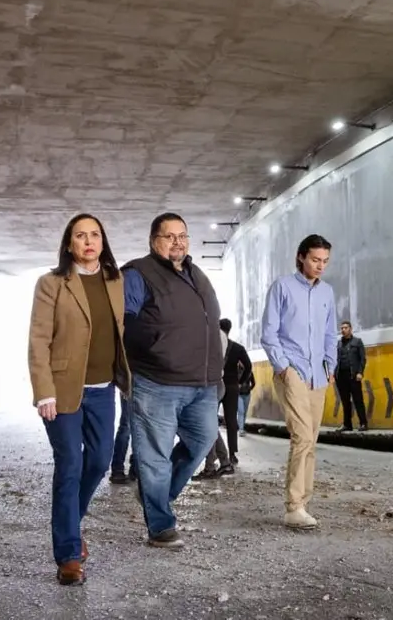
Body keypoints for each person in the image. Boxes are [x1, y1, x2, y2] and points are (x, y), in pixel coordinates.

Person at [27, 213, 131, 586]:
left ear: (103, 242)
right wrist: (44, 392)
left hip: (104, 391)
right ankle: (68, 555)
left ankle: (70, 519)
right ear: (69, 244)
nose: (89, 241)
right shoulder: (52, 283)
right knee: (70, 463)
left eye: (95, 235)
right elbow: (39, 339)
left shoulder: (116, 282)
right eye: (80, 235)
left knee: (100, 461)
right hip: (63, 390)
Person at [122, 212, 224, 549]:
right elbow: (120, 322)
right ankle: (161, 527)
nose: (178, 242)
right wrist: (137, 361)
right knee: (154, 457)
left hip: (202, 384)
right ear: (154, 241)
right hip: (156, 382)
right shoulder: (138, 274)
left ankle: (158, 496)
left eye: (183, 235)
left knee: (203, 439)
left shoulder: (196, 274)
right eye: (170, 236)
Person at [260, 234, 337, 530]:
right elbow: (269, 332)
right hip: (292, 370)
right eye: (315, 260)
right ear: (301, 257)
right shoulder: (282, 287)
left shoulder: (327, 293)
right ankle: (293, 506)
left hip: (319, 373)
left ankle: (304, 502)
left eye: (325, 261)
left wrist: (330, 364)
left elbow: (331, 333)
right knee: (302, 436)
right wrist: (283, 367)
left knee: (312, 440)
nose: (320, 266)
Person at [199, 318, 253, 478]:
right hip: (231, 387)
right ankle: (232, 455)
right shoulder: (238, 348)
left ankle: (214, 460)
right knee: (231, 422)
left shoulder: (214, 346)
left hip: (216, 385)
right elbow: (248, 366)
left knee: (210, 421)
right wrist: (240, 381)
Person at [335, 321, 369, 431]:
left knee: (358, 400)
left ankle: (363, 423)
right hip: (341, 376)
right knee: (345, 401)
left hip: (353, 376)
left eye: (345, 328)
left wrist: (360, 372)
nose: (343, 330)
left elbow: (362, 359)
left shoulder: (357, 342)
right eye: (342, 328)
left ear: (350, 329)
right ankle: (347, 424)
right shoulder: (339, 344)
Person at [109, 391, 138, 485]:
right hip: (131, 386)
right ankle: (119, 469)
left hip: (145, 385)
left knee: (128, 427)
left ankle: (134, 468)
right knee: (127, 427)